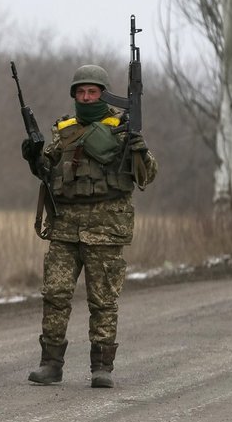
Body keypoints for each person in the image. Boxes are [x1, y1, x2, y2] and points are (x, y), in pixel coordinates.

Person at [25, 64, 158, 388]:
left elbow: (147, 176)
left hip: (105, 229)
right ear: (75, 95)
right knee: (55, 294)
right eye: (81, 92)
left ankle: (102, 368)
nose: (86, 97)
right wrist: (33, 157)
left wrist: (140, 151)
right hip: (66, 227)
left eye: (92, 92)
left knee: (103, 300)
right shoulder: (64, 130)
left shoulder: (122, 129)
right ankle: (51, 364)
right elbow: (48, 169)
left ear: (103, 94)